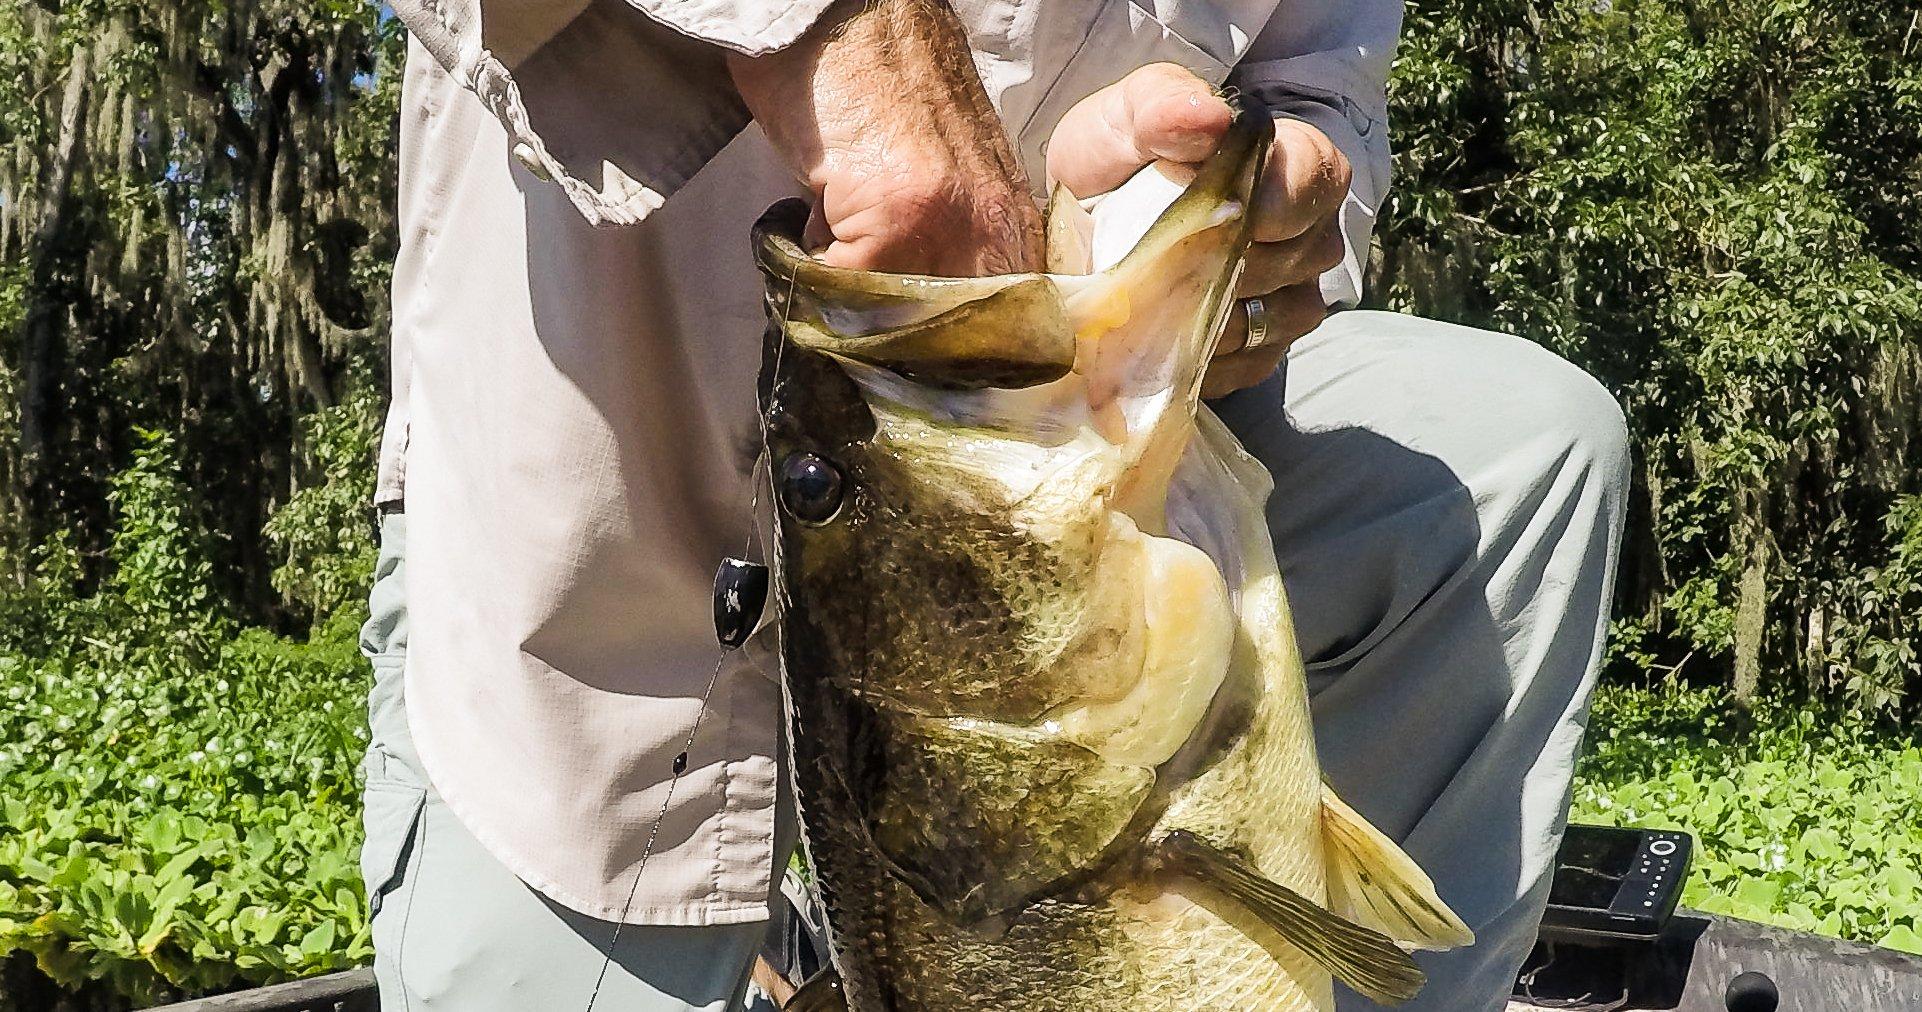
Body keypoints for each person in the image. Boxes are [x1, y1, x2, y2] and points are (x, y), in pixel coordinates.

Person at [358, 1, 1630, 1009]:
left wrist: (1190, 208)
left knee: (1522, 451)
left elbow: (1314, 87)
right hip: (593, 571)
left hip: (1038, 476)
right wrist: (838, 32)